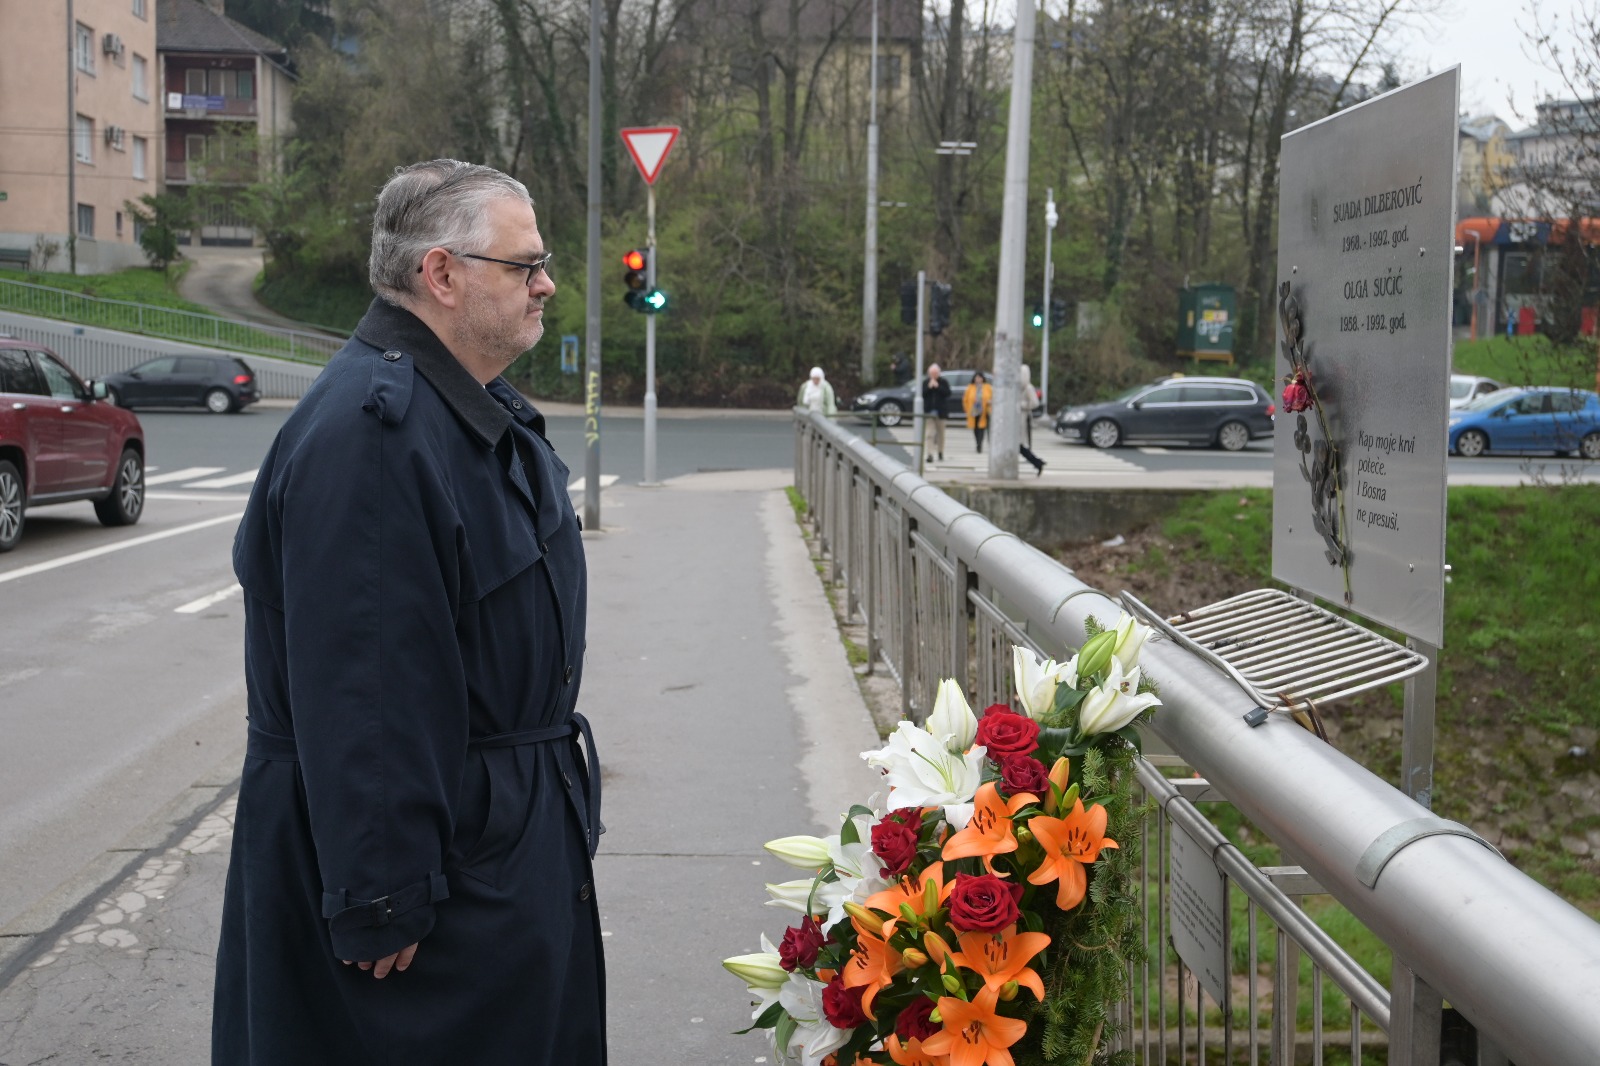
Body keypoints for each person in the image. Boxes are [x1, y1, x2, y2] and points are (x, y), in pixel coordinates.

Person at [214, 160, 605, 1065]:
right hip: (436, 889)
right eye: (524, 265)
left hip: (492, 852)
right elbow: (368, 686)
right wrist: (382, 893)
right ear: (442, 274)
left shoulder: (455, 408)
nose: (547, 283)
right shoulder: (373, 432)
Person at [1018, 363, 1046, 475]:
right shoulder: (1017, 387)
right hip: (1015, 419)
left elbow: (1035, 403)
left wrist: (1021, 405)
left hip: (1023, 418)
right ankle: (1037, 463)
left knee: (1018, 445)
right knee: (1018, 445)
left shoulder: (1028, 387)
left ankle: (1037, 462)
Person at [921, 363, 951, 461]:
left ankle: (940, 452)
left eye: (935, 373)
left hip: (941, 412)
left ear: (939, 373)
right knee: (929, 434)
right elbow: (922, 394)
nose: (933, 375)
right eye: (931, 373)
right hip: (929, 411)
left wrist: (938, 387)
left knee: (941, 434)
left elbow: (947, 393)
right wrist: (929, 387)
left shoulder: (943, 382)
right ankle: (930, 454)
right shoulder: (926, 382)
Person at [964, 370, 992, 453]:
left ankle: (980, 444)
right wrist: (967, 409)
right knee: (975, 428)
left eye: (980, 378)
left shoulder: (987, 387)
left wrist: (989, 402)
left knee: (982, 427)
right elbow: (965, 399)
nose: (978, 379)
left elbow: (991, 397)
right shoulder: (970, 387)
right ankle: (977, 442)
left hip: (984, 410)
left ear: (983, 379)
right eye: (977, 378)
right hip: (974, 410)